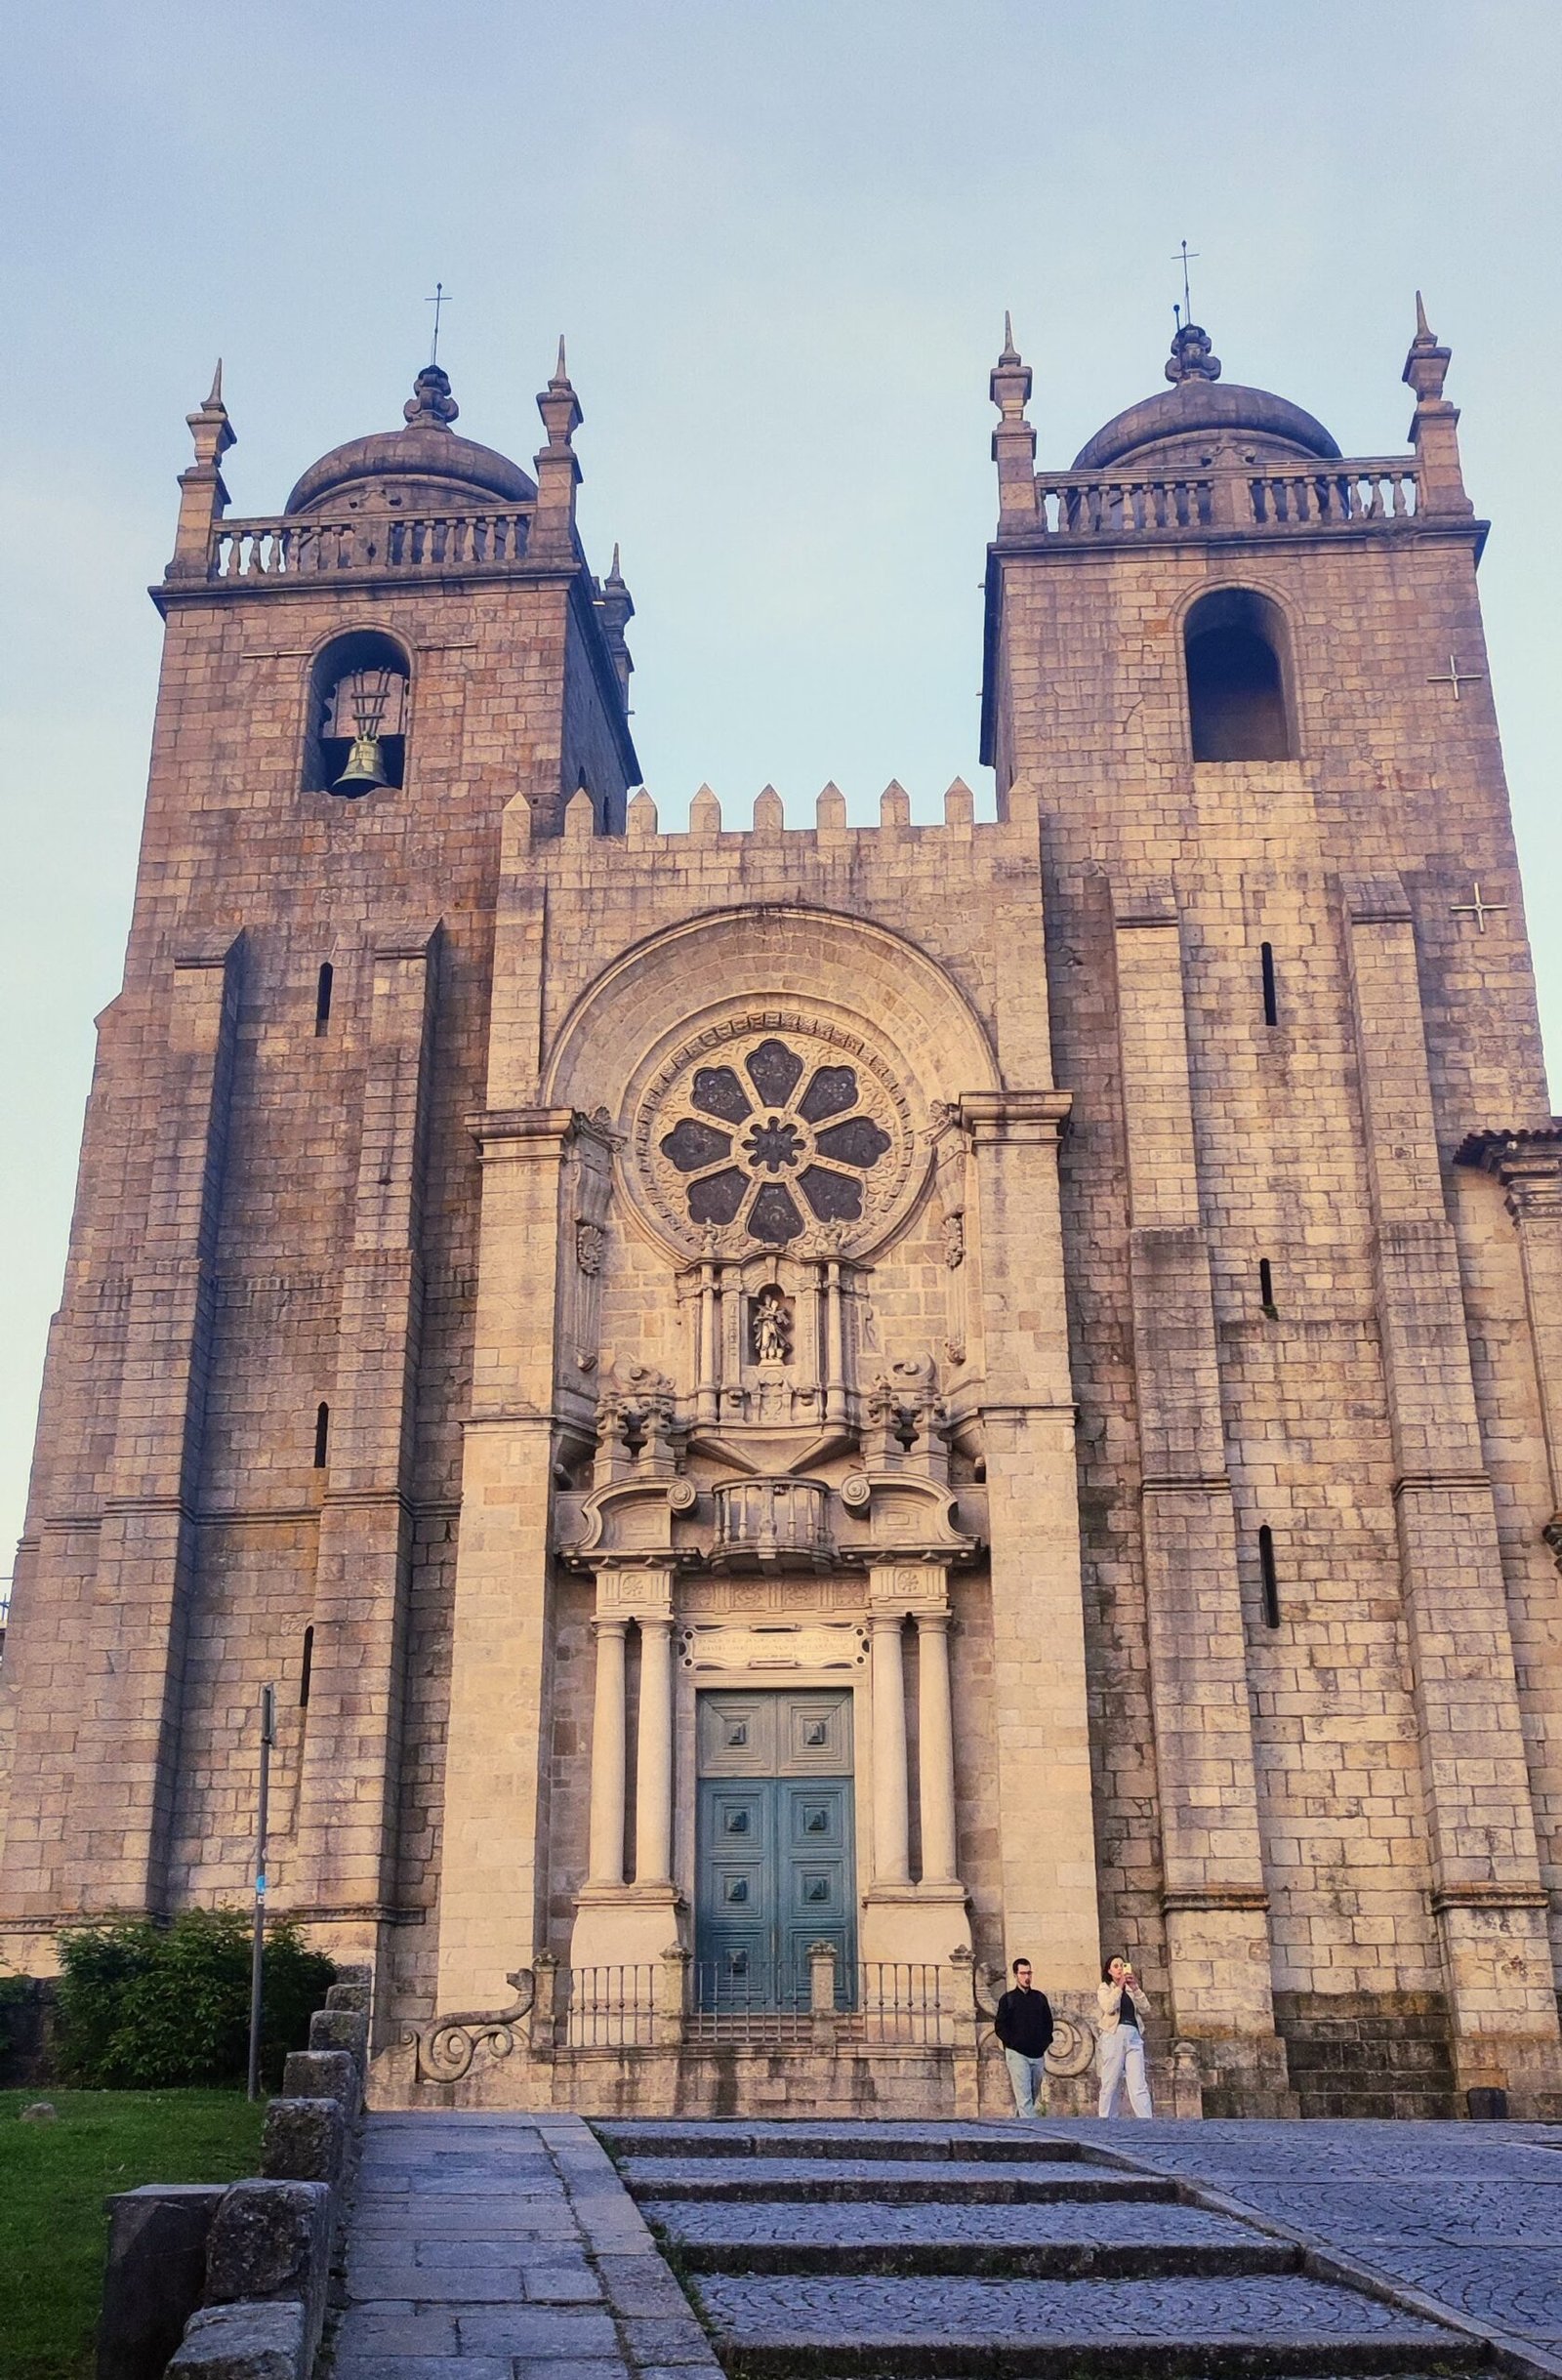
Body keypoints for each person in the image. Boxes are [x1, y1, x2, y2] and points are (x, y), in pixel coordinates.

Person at [994, 1955, 1054, 2117]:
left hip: (1037, 2054)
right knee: (1025, 2099)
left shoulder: (1039, 1998)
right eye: (1023, 1973)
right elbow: (1000, 2026)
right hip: (1017, 2054)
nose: (1026, 1977)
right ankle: (1033, 2137)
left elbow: (1048, 2023)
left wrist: (1045, 2042)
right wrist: (1013, 2042)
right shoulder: (1008, 2000)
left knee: (1031, 2096)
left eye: (1029, 1973)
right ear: (1015, 1975)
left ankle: (1019, 2127)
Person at [1095, 1953, 1153, 2117]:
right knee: (1111, 2080)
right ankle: (1106, 2118)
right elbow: (1108, 2006)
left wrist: (1135, 1987)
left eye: (1122, 1965)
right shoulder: (1105, 1988)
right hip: (1115, 2034)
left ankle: (1146, 2120)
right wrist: (1119, 1987)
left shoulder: (1130, 1989)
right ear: (1109, 1971)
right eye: (1116, 1966)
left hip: (1133, 2034)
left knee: (1138, 2082)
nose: (1120, 1968)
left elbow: (1146, 2009)